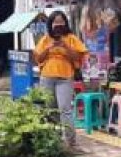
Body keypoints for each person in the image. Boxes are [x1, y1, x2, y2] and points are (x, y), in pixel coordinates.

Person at [33, 10, 88, 147]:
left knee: (65, 108)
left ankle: (70, 140)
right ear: (51, 24)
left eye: (61, 21)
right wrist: (49, 48)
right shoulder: (45, 39)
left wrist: (65, 46)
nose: (58, 24)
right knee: (50, 109)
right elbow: (38, 58)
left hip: (65, 77)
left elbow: (78, 58)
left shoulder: (71, 38)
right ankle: (53, 139)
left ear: (65, 23)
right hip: (47, 77)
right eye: (55, 22)